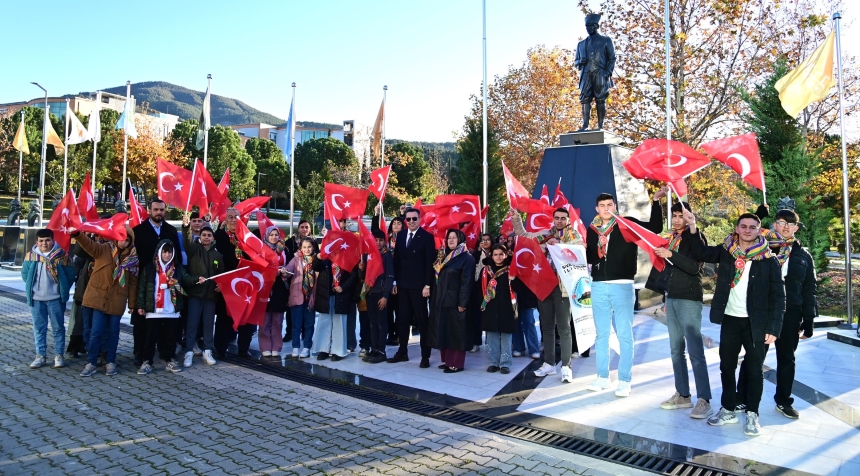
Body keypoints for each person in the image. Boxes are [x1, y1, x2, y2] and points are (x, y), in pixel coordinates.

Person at [683, 209, 785, 437]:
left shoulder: (768, 259)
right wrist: (692, 225)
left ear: (759, 231)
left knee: (754, 369)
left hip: (756, 323)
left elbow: (779, 296)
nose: (747, 230)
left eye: (752, 227)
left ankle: (752, 413)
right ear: (737, 229)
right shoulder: (727, 252)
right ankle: (728, 408)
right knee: (726, 367)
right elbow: (701, 252)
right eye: (743, 226)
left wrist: (774, 328)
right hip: (730, 319)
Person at [736, 208, 817, 419]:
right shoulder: (760, 249)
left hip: (791, 312)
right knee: (754, 356)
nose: (786, 227)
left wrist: (808, 319)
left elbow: (810, 288)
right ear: (775, 225)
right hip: (764, 311)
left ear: (796, 228)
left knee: (786, 359)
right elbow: (739, 236)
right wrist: (757, 215)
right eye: (782, 222)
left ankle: (783, 400)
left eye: (791, 224)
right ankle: (741, 398)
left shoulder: (803, 255)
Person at [586, 189, 665, 396]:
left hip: (622, 284)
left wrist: (656, 202)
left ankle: (624, 380)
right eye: (602, 206)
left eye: (609, 205)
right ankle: (602, 377)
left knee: (624, 334)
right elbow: (590, 258)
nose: (606, 209)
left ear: (615, 207)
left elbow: (655, 228)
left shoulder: (625, 223)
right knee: (601, 334)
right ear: (597, 209)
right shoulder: (592, 229)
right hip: (599, 285)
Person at [648, 202, 713, 419]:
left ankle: (704, 399)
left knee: (695, 351)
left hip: (689, 299)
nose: (677, 220)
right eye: (674, 215)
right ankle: (683, 395)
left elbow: (695, 268)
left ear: (689, 217)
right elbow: (668, 272)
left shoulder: (695, 237)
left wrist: (670, 254)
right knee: (676, 351)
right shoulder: (671, 238)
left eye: (681, 216)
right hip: (673, 298)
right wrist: (666, 297)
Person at [512, 206, 584, 384]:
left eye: (563, 218)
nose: (559, 221)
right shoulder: (546, 234)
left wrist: (557, 244)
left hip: (563, 287)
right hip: (545, 285)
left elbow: (579, 248)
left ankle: (566, 367)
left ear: (568, 220)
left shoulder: (574, 236)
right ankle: (549, 363)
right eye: (557, 218)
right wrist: (516, 219)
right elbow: (524, 235)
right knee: (546, 326)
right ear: (553, 219)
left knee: (564, 327)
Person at [74, 228, 139, 377]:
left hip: (117, 299)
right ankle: (91, 362)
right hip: (98, 298)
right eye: (121, 238)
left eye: (127, 240)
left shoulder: (133, 258)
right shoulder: (104, 249)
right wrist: (77, 234)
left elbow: (133, 283)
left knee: (113, 333)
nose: (123, 242)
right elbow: (88, 244)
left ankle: (110, 361)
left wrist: (132, 304)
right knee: (95, 332)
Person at [132, 199, 181, 366]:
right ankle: (140, 352)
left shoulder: (171, 230)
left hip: (167, 282)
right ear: (149, 210)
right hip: (146, 280)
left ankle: (165, 351)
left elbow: (178, 258)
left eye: (162, 209)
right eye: (156, 209)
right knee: (142, 321)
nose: (159, 212)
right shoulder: (138, 231)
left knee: (165, 320)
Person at [390, 208, 437, 367]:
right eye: (408, 219)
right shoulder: (401, 235)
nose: (411, 222)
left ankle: (425, 356)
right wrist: (395, 282)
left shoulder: (427, 237)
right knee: (402, 320)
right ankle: (402, 351)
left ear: (419, 219)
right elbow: (396, 261)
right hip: (402, 286)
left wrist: (427, 285)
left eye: (414, 219)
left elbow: (429, 264)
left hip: (419, 287)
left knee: (422, 321)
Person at [22, 229, 76, 369]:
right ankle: (40, 355)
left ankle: (59, 355)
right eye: (41, 241)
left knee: (58, 328)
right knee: (39, 328)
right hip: (36, 299)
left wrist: (62, 288)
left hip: (55, 299)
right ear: (37, 242)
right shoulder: (31, 256)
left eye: (47, 240)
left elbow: (70, 274)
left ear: (52, 240)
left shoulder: (61, 255)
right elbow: (25, 274)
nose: (44, 243)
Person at [136, 240, 186, 375]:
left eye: (170, 252)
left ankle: (170, 360)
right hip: (154, 310)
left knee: (170, 338)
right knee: (150, 337)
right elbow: (142, 288)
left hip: (171, 310)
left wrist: (198, 279)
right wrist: (140, 305)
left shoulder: (177, 269)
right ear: (159, 252)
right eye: (165, 252)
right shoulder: (149, 268)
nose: (167, 255)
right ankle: (147, 361)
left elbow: (187, 279)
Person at [428, 229, 475, 373]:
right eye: (449, 238)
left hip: (455, 301)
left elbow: (466, 283)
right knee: (445, 330)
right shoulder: (445, 256)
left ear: (460, 239)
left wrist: (462, 303)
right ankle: (448, 361)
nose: (451, 240)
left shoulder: (467, 258)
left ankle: (456, 364)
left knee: (456, 332)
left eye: (454, 237)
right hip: (441, 299)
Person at [213, 208, 255, 358]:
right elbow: (213, 260)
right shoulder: (218, 236)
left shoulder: (247, 237)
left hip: (244, 283)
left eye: (235, 217)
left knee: (245, 318)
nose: (232, 220)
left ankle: (243, 349)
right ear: (225, 219)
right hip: (226, 283)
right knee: (224, 319)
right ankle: (220, 349)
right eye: (230, 217)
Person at [181, 218, 222, 367]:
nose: (206, 237)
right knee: (192, 323)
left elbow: (221, 274)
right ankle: (189, 352)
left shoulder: (218, 256)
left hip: (210, 295)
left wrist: (220, 286)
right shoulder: (193, 250)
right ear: (200, 236)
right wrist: (186, 227)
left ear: (213, 238)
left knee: (208, 324)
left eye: (209, 235)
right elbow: (186, 240)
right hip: (195, 293)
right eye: (204, 235)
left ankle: (207, 351)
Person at [311, 256, 359, 361]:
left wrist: (344, 287)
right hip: (326, 294)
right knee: (324, 322)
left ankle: (338, 351)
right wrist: (318, 258)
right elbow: (315, 267)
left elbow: (353, 275)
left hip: (341, 294)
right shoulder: (326, 255)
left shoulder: (347, 254)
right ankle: (323, 349)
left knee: (339, 323)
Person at [574, 13, 616, 131]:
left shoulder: (606, 40)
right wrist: (581, 62)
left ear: (596, 26)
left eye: (591, 26)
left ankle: (600, 126)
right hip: (586, 75)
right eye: (587, 26)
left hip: (600, 74)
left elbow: (612, 58)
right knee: (585, 100)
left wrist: (607, 72)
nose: (589, 28)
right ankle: (585, 125)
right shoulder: (581, 44)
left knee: (600, 99)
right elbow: (576, 62)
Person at [481, 244, 516, 374]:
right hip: (490, 306)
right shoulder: (486, 271)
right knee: (492, 334)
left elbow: (518, 287)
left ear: (506, 255)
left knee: (506, 334)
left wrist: (514, 279)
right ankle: (493, 362)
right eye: (495, 254)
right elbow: (480, 289)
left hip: (507, 306)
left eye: (501, 254)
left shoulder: (511, 270)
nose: (498, 257)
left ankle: (505, 363)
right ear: (492, 256)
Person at [363, 229, 395, 363]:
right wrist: (360, 269)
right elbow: (363, 276)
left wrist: (385, 296)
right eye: (375, 240)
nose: (378, 243)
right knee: (372, 323)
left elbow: (389, 276)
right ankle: (374, 348)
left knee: (381, 323)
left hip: (381, 294)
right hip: (370, 293)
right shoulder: (368, 255)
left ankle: (381, 350)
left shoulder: (386, 255)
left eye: (381, 240)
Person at [285, 237, 318, 358]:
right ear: (301, 248)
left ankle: (307, 346)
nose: (307, 249)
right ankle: (296, 346)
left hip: (311, 297)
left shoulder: (317, 260)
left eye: (309, 247)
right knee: (296, 324)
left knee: (309, 324)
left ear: (313, 247)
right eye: (304, 247)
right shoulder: (296, 259)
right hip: (297, 295)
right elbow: (288, 269)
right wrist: (285, 272)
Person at [260, 226, 290, 358]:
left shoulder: (284, 250)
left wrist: (284, 272)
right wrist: (272, 272)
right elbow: (259, 267)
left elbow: (289, 267)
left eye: (276, 234)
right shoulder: (261, 249)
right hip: (265, 286)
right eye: (271, 234)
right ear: (267, 236)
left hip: (279, 286)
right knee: (265, 319)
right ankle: (265, 345)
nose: (274, 237)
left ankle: (276, 345)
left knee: (277, 320)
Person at [468, 234, 494, 352]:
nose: (485, 242)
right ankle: (476, 342)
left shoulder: (496, 252)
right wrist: (478, 251)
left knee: (490, 316)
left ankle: (491, 342)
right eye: (483, 240)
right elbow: (473, 264)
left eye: (488, 240)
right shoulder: (477, 253)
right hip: (477, 289)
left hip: (492, 289)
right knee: (476, 317)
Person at [512, 277, 541, 360]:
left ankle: (534, 349)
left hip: (528, 294)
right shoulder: (511, 264)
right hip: (513, 293)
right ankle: (518, 347)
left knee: (529, 321)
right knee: (515, 321)